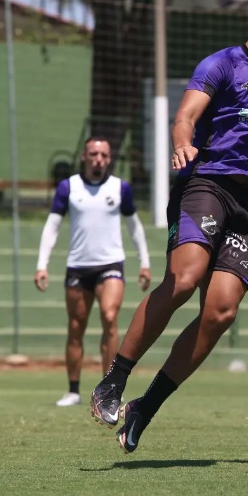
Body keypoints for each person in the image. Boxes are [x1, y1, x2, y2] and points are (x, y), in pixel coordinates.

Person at [89, 0, 248, 454]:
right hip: (204, 185)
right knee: (184, 281)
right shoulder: (220, 64)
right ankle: (113, 381)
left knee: (221, 312)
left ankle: (144, 407)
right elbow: (186, 118)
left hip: (244, 207)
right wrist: (182, 143)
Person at [35, 137, 151, 407]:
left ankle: (108, 391)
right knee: (76, 327)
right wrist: (42, 264)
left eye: (103, 155)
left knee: (110, 317)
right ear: (84, 157)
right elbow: (52, 227)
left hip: (111, 264)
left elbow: (135, 228)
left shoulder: (120, 188)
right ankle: (73, 390)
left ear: (109, 159)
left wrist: (144, 262)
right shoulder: (68, 188)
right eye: (93, 154)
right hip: (78, 266)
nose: (98, 159)